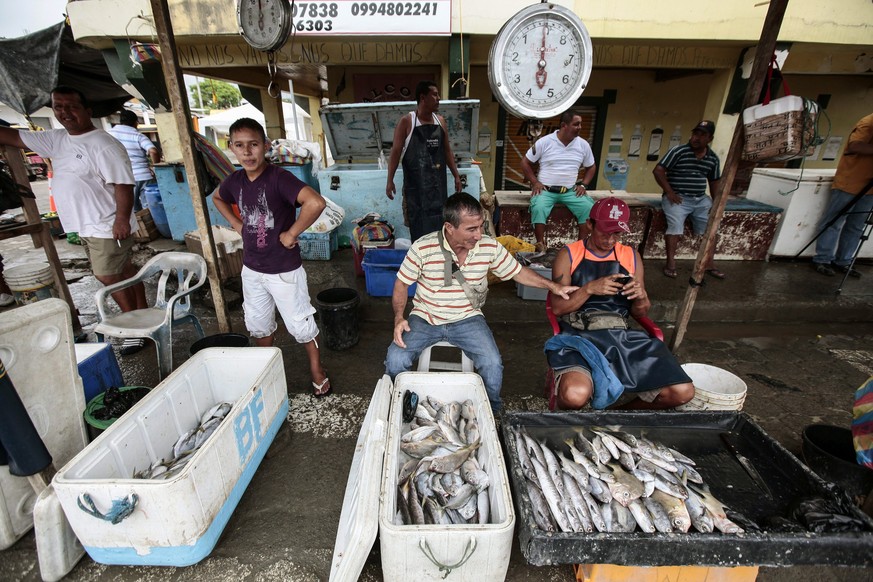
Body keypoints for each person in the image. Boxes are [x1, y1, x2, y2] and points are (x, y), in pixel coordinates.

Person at [385, 192, 577, 411]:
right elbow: (401, 284)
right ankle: (396, 406)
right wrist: (399, 318)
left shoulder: (489, 246)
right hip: (425, 317)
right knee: (395, 360)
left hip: (468, 318)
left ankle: (492, 411)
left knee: (493, 364)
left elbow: (518, 272)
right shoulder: (423, 248)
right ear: (449, 227)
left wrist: (554, 286)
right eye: (471, 229)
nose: (478, 235)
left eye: (481, 226)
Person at [0, 86, 147, 354]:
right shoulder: (57, 139)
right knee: (124, 273)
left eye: (72, 106)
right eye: (59, 107)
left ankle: (134, 328)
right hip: (87, 225)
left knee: (108, 275)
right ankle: (142, 317)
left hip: (107, 224)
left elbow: (123, 185)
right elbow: (12, 136)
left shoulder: (103, 144)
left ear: (87, 111)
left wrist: (122, 220)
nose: (65, 112)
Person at [213, 118, 331, 397]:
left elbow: (316, 202)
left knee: (300, 323)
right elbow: (218, 198)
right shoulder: (235, 180)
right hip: (252, 269)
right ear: (231, 148)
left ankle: (317, 370)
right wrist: (237, 224)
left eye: (253, 145)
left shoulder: (279, 178)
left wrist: (291, 234)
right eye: (239, 146)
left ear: (265, 146)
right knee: (257, 323)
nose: (247, 152)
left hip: (284, 270)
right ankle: (265, 371)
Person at [546, 197, 695, 410]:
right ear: (590, 224)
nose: (610, 240)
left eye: (616, 233)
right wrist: (589, 288)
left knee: (682, 392)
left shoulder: (630, 256)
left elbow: (640, 312)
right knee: (573, 396)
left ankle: (618, 414)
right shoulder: (569, 254)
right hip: (580, 334)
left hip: (621, 336)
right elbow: (558, 308)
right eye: (604, 232)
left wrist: (641, 296)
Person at [385, 80, 462, 241]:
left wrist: (456, 175)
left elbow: (447, 150)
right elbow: (395, 153)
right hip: (415, 191)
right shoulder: (407, 122)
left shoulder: (440, 121)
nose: (439, 98)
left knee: (440, 229)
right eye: (434, 95)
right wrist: (389, 180)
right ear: (423, 97)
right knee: (419, 230)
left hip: (438, 189)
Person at [653, 120, 725, 279]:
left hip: (700, 199)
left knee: (710, 228)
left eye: (702, 135)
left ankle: (709, 263)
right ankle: (670, 263)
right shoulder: (678, 151)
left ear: (709, 138)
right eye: (695, 134)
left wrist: (716, 203)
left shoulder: (712, 158)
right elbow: (658, 171)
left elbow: (714, 182)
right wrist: (669, 192)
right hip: (678, 198)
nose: (696, 138)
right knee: (675, 227)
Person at [521, 111, 597, 252]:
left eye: (581, 124)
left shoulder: (583, 145)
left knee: (588, 207)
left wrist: (583, 184)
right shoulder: (545, 142)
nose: (580, 127)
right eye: (576, 124)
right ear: (564, 125)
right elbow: (525, 162)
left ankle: (580, 248)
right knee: (538, 208)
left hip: (570, 191)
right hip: (546, 190)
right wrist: (535, 182)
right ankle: (541, 246)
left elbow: (591, 166)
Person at [811, 112, 873, 278]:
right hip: (850, 182)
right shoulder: (868, 122)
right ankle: (823, 259)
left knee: (856, 226)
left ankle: (844, 261)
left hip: (870, 188)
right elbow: (855, 146)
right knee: (834, 222)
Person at [109, 110, 160, 212]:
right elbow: (153, 151)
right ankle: (151, 226)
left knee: (131, 209)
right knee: (149, 208)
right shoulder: (137, 135)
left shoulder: (109, 135)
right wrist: (155, 168)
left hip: (122, 177)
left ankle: (139, 227)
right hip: (143, 175)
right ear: (135, 122)